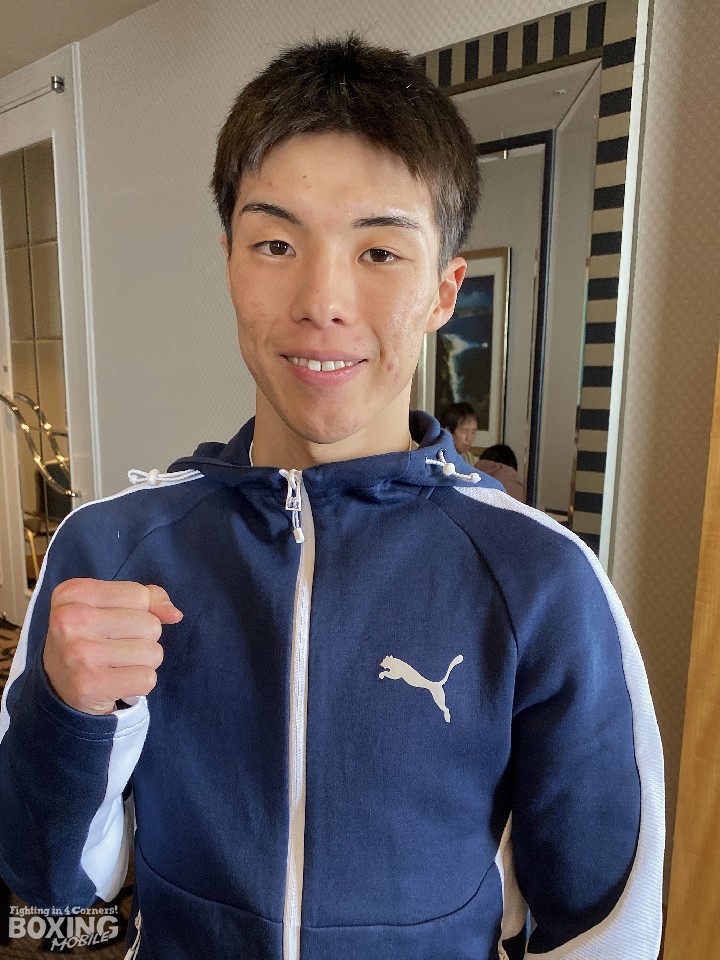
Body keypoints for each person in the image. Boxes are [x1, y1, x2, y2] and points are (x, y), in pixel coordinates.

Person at [0, 34, 664, 960]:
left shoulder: (543, 581)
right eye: (276, 243)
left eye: (380, 251)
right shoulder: (109, 551)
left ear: (444, 291)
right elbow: (52, 887)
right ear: (229, 260)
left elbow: (599, 929)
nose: (322, 300)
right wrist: (67, 718)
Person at [439, 401, 480, 466]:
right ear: (448, 431)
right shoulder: (437, 458)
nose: (469, 438)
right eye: (465, 431)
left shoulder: (469, 457)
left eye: (473, 432)